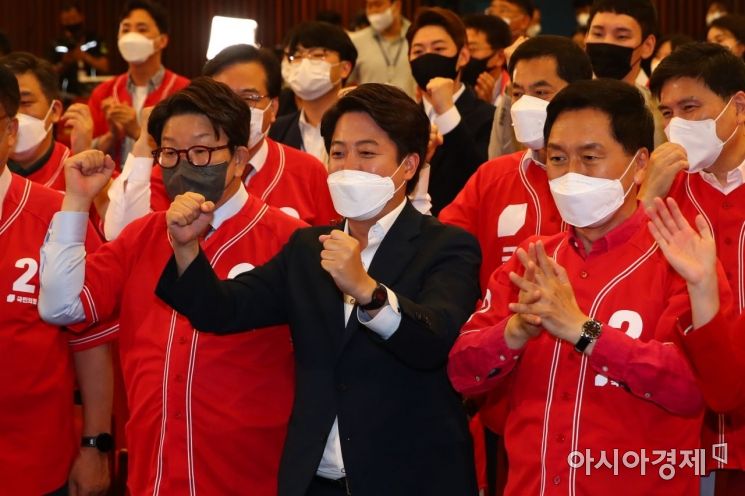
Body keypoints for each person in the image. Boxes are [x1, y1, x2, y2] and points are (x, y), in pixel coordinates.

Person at [155, 83, 481, 496]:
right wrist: (186, 249)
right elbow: (223, 309)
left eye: (367, 153)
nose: (348, 166)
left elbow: (434, 340)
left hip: (412, 475)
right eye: (339, 152)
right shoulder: (309, 247)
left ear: (409, 165)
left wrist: (368, 291)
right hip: (317, 478)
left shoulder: (447, 246)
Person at [39, 77, 306, 495]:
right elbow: (61, 306)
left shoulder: (289, 240)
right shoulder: (142, 235)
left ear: (237, 158)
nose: (184, 164)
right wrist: (76, 201)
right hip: (154, 475)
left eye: (201, 150)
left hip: (254, 477)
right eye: (170, 151)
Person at [448, 78, 707, 495]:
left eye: (590, 157)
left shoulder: (680, 258)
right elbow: (462, 373)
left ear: (639, 163)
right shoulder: (531, 259)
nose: (571, 174)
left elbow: (695, 387)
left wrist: (585, 333)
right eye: (557, 158)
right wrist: (512, 335)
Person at [0, 64, 114, 496]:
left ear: (11, 130)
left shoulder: (61, 215)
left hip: (36, 464)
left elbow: (92, 339)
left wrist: (94, 445)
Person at [641, 41, 745, 495]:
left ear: (738, 106)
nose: (677, 125)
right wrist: (645, 200)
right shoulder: (661, 192)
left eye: (691, 107)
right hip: (683, 427)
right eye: (667, 113)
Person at [104, 44, 337, 240]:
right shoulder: (176, 168)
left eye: (248, 98)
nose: (234, 109)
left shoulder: (309, 173)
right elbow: (121, 235)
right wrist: (145, 142)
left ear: (273, 108)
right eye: (221, 97)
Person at [441, 35, 593, 291]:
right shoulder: (492, 176)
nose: (525, 104)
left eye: (541, 92)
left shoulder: (605, 177)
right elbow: (443, 249)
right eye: (518, 93)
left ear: (578, 93)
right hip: (500, 325)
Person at [407, 7, 495, 215]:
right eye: (418, 51)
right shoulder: (402, 118)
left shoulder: (489, 116)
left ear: (463, 56)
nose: (427, 57)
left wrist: (446, 110)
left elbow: (478, 177)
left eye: (438, 49)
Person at [87, 0, 189, 166]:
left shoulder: (185, 91)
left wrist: (137, 131)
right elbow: (86, 154)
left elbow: (189, 154)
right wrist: (112, 136)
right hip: (110, 187)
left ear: (162, 40)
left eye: (142, 29)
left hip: (162, 188)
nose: (131, 36)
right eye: (125, 29)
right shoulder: (103, 93)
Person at [2, 52, 94, 191]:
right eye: (6, 105)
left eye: (25, 102)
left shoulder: (81, 170)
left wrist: (87, 166)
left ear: (55, 111)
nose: (15, 115)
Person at [269, 21, 357, 165]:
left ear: (344, 68)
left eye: (317, 54)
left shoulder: (362, 126)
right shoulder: (277, 130)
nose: (304, 63)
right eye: (296, 56)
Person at [585, 0, 666, 147]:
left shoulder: (661, 115)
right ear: (586, 37)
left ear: (647, 45)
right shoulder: (567, 103)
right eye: (597, 34)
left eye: (621, 36)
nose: (607, 42)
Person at [347, 0, 416, 98]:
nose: (374, 10)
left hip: (412, 110)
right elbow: (348, 83)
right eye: (369, 6)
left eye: (378, 4)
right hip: (370, 111)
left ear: (396, 5)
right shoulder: (357, 41)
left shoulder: (416, 35)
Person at [50, 2, 110, 98]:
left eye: (73, 19)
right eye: (67, 20)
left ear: (81, 17)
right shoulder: (56, 44)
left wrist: (84, 56)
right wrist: (64, 63)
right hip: (65, 94)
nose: (71, 23)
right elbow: (49, 71)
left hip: (92, 90)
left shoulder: (95, 39)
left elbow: (105, 66)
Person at [462, 14, 512, 107]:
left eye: (471, 49)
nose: (463, 56)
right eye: (460, 49)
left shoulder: (515, 92)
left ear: (500, 57)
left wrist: (485, 107)